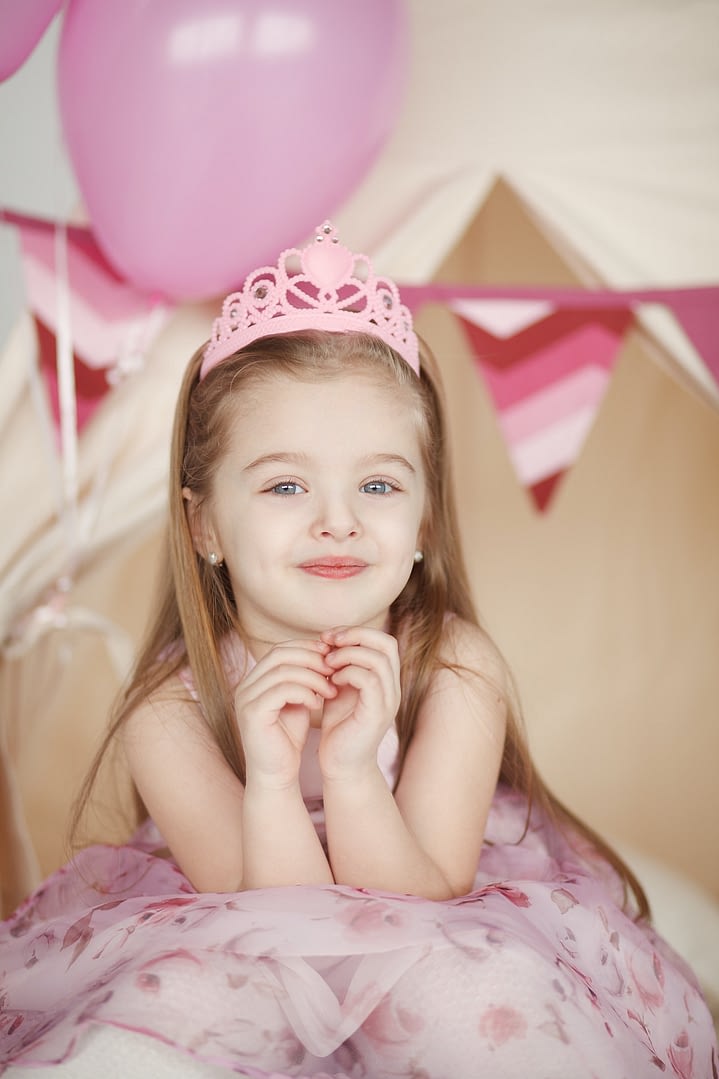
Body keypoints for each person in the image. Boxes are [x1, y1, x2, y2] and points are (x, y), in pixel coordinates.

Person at [0, 223, 715, 1079]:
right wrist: (270, 778)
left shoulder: (451, 664)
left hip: (420, 897)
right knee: (187, 1001)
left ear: (419, 520)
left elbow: (420, 902)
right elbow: (268, 919)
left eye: (377, 484)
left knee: (475, 997)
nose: (336, 519)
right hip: (248, 904)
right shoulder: (171, 703)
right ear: (202, 524)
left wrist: (348, 771)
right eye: (285, 484)